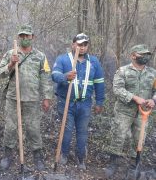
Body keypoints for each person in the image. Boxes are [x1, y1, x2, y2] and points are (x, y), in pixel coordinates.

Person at [0, 24, 53, 171]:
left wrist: (47, 97)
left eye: (27, 36)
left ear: (32, 37)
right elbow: (0, 73)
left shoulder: (40, 56)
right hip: (13, 98)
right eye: (22, 36)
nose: (24, 39)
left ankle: (37, 156)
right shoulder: (11, 53)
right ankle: (7, 155)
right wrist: (11, 64)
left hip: (32, 99)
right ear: (18, 37)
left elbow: (45, 77)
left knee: (33, 128)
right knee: (10, 128)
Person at [51, 33, 105, 170]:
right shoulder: (63, 59)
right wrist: (65, 76)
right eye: (79, 44)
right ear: (73, 44)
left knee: (82, 132)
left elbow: (99, 83)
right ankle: (64, 154)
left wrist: (99, 102)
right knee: (67, 131)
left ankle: (80, 157)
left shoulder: (93, 62)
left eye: (85, 44)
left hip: (85, 104)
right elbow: (54, 75)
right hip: (66, 102)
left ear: (87, 46)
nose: (82, 47)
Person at [105, 44, 156, 177]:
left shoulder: (153, 73)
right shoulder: (123, 71)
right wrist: (134, 98)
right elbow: (117, 90)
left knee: (140, 138)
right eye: (142, 54)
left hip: (143, 113)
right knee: (118, 136)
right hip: (124, 111)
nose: (145, 57)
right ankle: (113, 163)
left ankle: (135, 164)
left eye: (147, 55)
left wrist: (153, 100)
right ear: (133, 55)